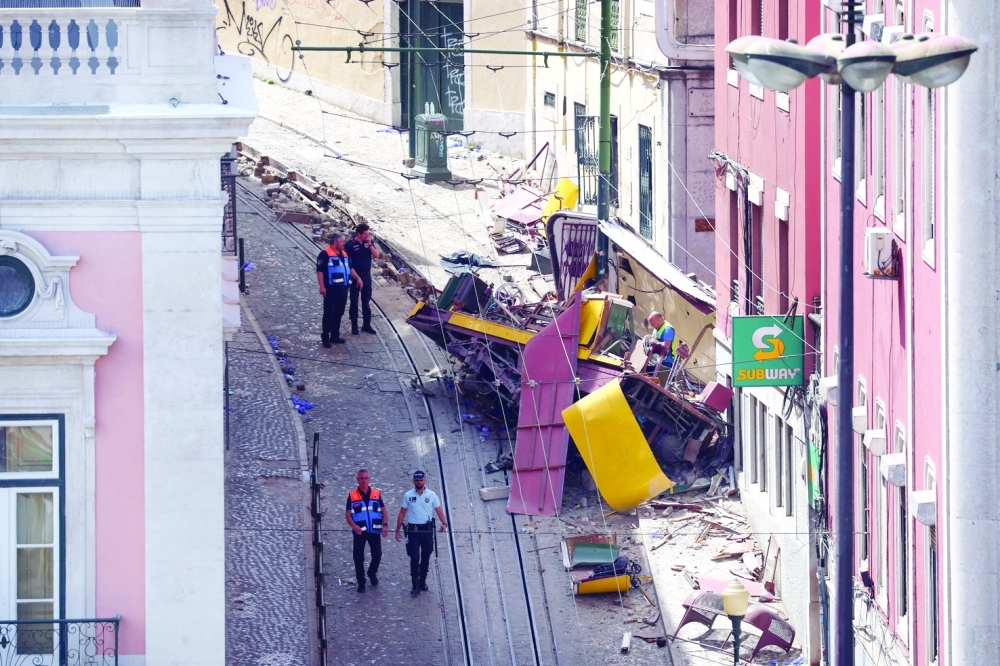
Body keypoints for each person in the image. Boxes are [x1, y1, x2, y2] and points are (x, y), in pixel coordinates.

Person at [395, 470, 448, 596]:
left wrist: (444, 523)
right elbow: (402, 512)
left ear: (425, 480)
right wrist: (397, 530)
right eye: (417, 480)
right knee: (414, 558)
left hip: (427, 531)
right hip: (413, 531)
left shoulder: (432, 495)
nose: (419, 482)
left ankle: (422, 581)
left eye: (421, 480)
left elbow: (439, 510)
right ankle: (415, 584)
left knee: (425, 558)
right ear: (413, 481)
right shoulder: (408, 495)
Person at [345, 469, 388, 593]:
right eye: (361, 478)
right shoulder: (352, 495)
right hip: (359, 532)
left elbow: (384, 511)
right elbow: (348, 514)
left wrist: (385, 525)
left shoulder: (376, 493)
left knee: (377, 554)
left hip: (374, 531)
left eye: (366, 478)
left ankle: (371, 573)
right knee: (358, 557)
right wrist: (354, 526)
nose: (364, 480)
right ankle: (361, 582)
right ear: (357, 480)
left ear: (369, 479)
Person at [316, 233, 362, 347]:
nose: (343, 244)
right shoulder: (324, 254)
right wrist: (321, 286)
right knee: (329, 313)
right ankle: (325, 336)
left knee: (339, 313)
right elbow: (320, 271)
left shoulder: (344, 254)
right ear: (335, 242)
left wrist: (358, 278)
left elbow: (350, 269)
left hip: (343, 289)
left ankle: (335, 335)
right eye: (342, 242)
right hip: (331, 289)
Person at [345, 223, 379, 335]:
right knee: (354, 301)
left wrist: (370, 245)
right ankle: (354, 325)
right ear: (359, 234)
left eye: (368, 233)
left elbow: (376, 255)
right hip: (355, 277)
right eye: (365, 234)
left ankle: (366, 325)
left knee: (366, 301)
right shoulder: (349, 245)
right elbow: (348, 264)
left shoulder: (368, 243)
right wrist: (356, 277)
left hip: (366, 276)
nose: (367, 235)